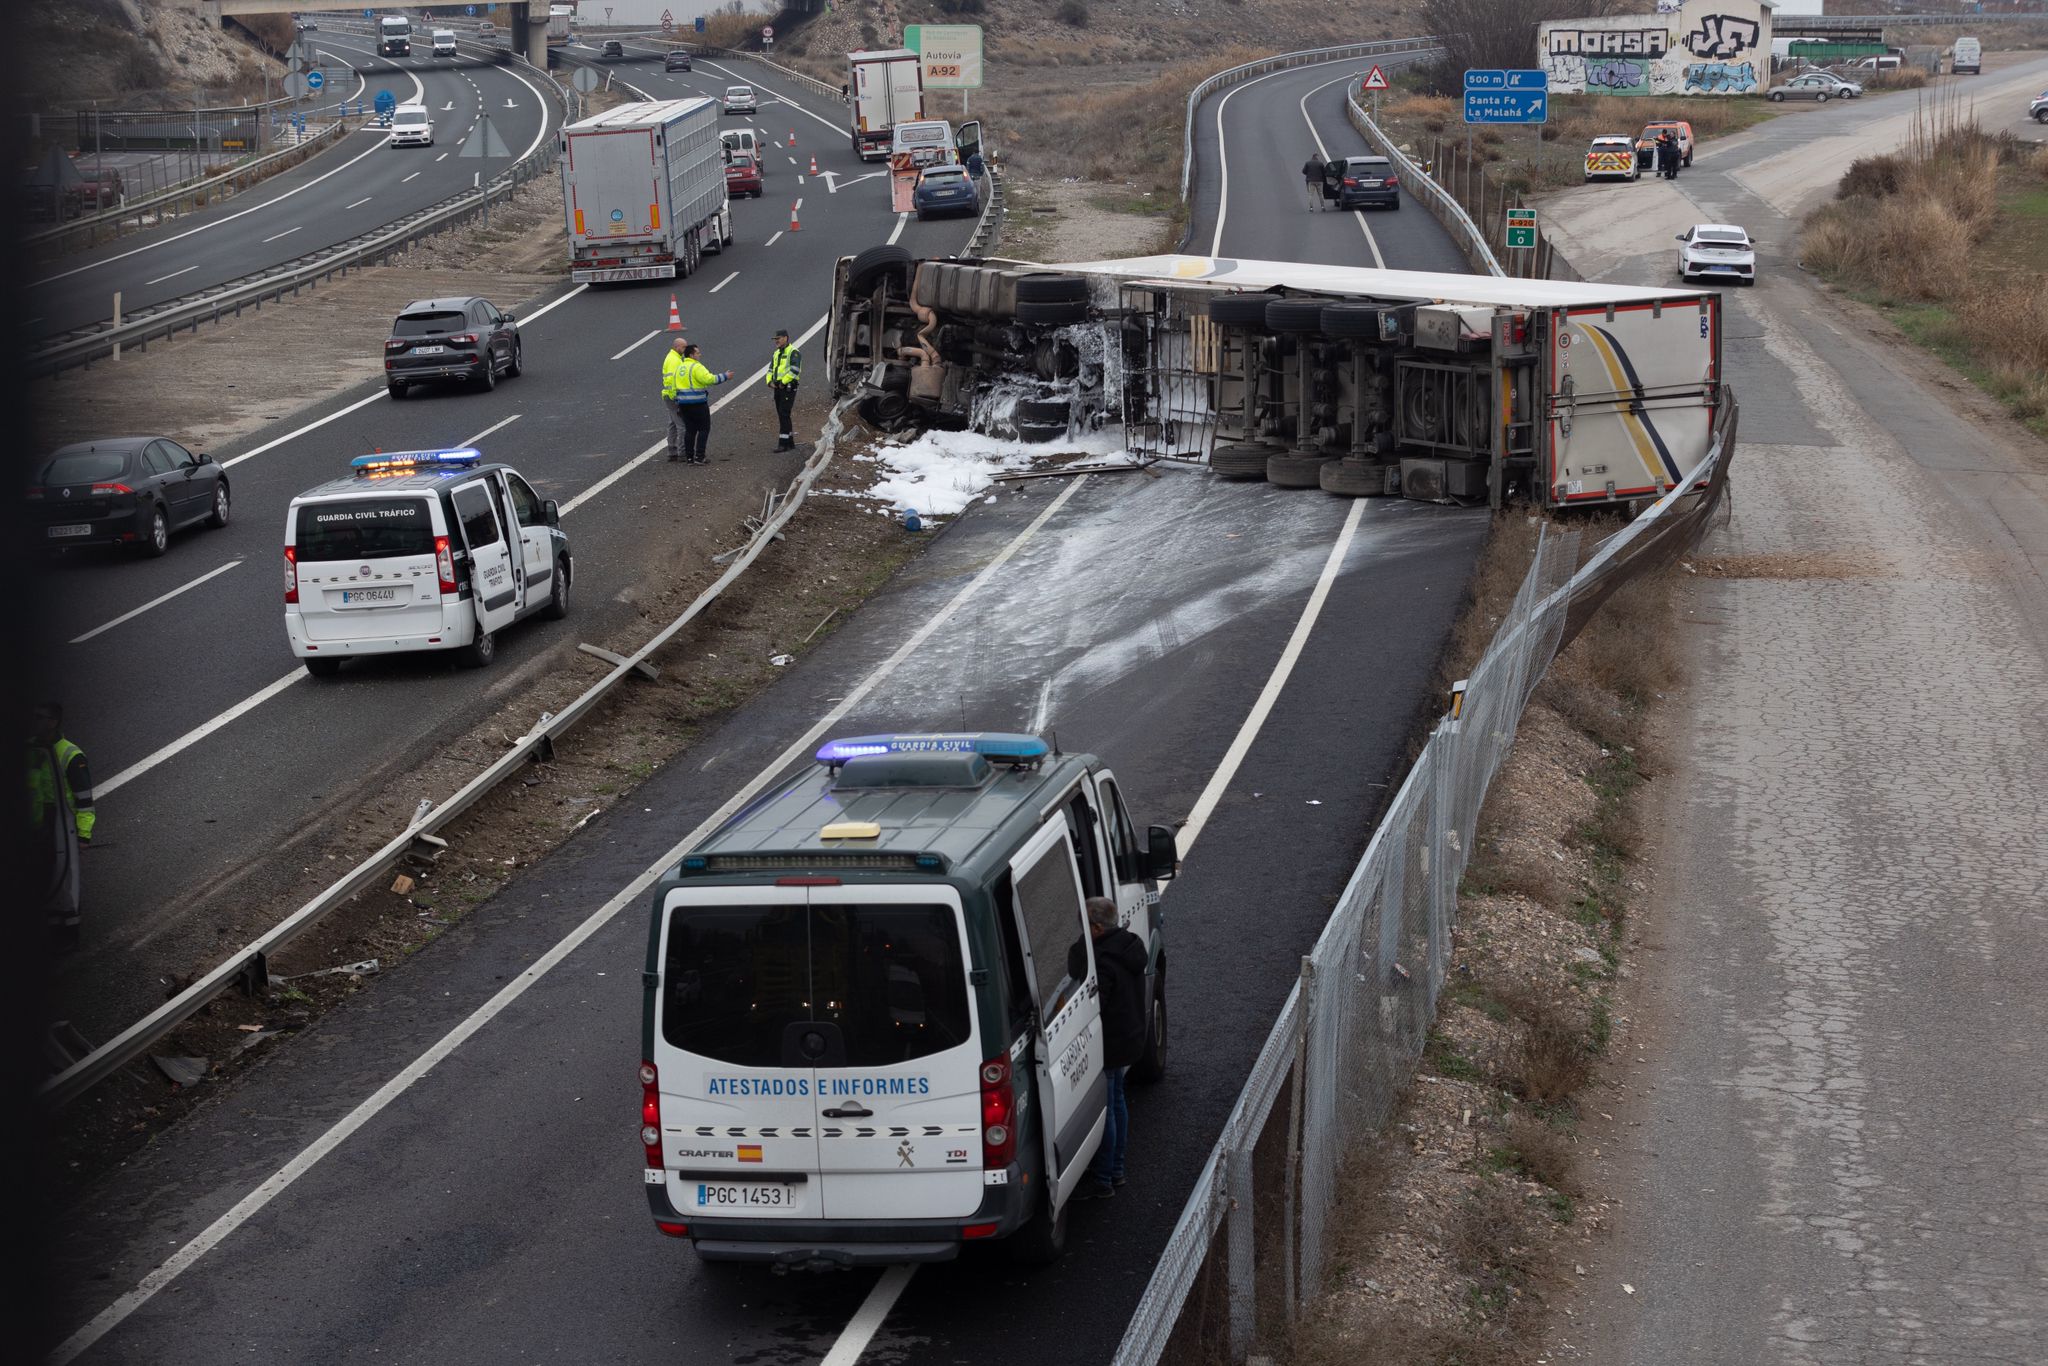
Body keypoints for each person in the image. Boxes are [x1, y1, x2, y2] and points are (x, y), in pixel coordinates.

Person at [1068, 896, 1148, 1200]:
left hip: (1109, 1042)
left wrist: (1079, 950)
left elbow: (1094, 1003)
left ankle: (1104, 1177)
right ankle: (1116, 1168)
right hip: (1129, 1036)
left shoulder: (1101, 959)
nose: (1081, 931)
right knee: (1117, 1101)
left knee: (1109, 1106)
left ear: (1097, 928)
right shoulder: (1130, 944)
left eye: (1084, 926)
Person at [29, 702, 94, 950]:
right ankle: (51, 930)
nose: (35, 721)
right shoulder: (30, 749)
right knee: (45, 880)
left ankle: (69, 935)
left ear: (53, 721)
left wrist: (83, 836)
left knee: (66, 881)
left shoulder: (70, 754)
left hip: (62, 827)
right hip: (37, 827)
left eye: (40, 717)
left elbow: (84, 800)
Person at [662, 340, 732, 464]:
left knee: (690, 430)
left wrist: (676, 399)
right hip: (698, 403)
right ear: (692, 355)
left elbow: (673, 384)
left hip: (684, 404)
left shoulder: (680, 367)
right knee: (704, 429)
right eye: (698, 353)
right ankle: (700, 456)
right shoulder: (696, 367)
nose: (700, 355)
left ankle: (689, 458)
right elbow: (709, 379)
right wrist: (725, 376)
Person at [765, 327, 802, 452]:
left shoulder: (794, 352)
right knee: (782, 414)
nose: (776, 341)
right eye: (775, 339)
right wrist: (769, 382)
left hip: (788, 388)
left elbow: (794, 370)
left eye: (778, 338)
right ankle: (790, 442)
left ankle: (783, 443)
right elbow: (770, 369)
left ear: (786, 338)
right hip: (778, 388)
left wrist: (782, 382)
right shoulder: (776, 353)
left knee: (784, 413)